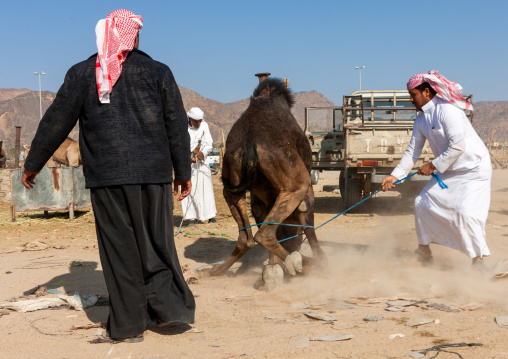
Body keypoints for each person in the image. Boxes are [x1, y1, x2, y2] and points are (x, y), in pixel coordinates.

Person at [21, 9, 195, 342]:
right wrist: (182, 171)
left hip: (109, 177)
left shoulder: (84, 73)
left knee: (120, 249)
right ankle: (166, 312)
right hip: (154, 176)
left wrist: (34, 162)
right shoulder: (158, 72)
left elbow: (56, 121)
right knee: (157, 243)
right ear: (136, 37)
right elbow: (176, 126)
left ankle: (130, 326)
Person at [381, 70, 491, 266]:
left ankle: (478, 260)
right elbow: (412, 152)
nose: (411, 100)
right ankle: (424, 251)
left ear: (426, 93)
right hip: (450, 172)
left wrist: (432, 165)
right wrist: (394, 176)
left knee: (465, 212)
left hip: (474, 170)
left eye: (413, 95)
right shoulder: (421, 120)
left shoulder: (448, 111)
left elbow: (458, 146)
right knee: (422, 203)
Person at [180, 107, 217, 225]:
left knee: (206, 189)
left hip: (202, 163)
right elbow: (179, 144)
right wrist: (187, 156)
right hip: (188, 164)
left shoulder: (204, 126)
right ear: (189, 119)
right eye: (196, 121)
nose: (198, 123)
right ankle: (191, 217)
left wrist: (203, 153)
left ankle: (210, 215)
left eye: (200, 120)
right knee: (189, 189)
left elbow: (209, 143)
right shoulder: (182, 126)